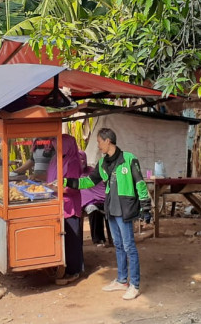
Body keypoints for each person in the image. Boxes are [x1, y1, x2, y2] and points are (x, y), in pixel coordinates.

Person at [65, 128, 151, 300]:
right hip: (111, 209)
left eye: (99, 142)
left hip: (125, 209)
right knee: (119, 246)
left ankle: (134, 284)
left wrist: (146, 207)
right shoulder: (103, 163)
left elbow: (140, 183)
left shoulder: (129, 159)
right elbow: (88, 181)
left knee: (129, 247)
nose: (98, 145)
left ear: (107, 141)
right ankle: (121, 280)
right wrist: (66, 181)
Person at [46, 135, 84, 285]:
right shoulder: (56, 159)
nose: (56, 147)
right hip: (56, 202)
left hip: (70, 205)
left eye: (59, 145)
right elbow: (50, 178)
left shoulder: (73, 162)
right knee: (60, 237)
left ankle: (74, 270)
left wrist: (55, 188)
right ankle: (61, 265)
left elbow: (74, 187)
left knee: (72, 239)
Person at [79, 150, 109, 246]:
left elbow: (101, 185)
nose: (82, 161)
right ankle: (98, 239)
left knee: (110, 208)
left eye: (83, 159)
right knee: (93, 209)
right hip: (86, 201)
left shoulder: (92, 170)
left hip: (101, 198)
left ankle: (114, 238)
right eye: (79, 159)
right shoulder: (73, 173)